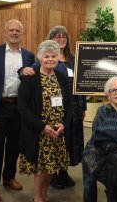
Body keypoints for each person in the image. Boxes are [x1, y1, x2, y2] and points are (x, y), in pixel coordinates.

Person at [22, 25, 87, 189]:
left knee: (69, 141)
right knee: (54, 141)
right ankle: (54, 176)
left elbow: (82, 83)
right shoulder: (42, 62)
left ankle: (63, 171)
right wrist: (22, 70)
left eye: (63, 36)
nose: (61, 38)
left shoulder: (73, 59)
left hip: (73, 107)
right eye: (57, 36)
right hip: (47, 113)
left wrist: (83, 106)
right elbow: (30, 73)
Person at [0, 19, 35, 202]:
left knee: (14, 146)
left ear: (22, 33)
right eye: (11, 30)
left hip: (19, 108)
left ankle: (8, 178)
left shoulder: (29, 56)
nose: (14, 33)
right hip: (0, 106)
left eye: (18, 31)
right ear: (5, 32)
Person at [17, 40, 72, 202]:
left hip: (57, 132)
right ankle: (37, 198)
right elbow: (23, 108)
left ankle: (44, 195)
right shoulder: (30, 78)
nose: (50, 59)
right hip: (39, 132)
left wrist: (64, 124)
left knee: (51, 167)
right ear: (40, 58)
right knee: (41, 168)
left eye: (53, 56)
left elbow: (69, 106)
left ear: (58, 58)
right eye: (46, 56)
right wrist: (42, 126)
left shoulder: (61, 77)